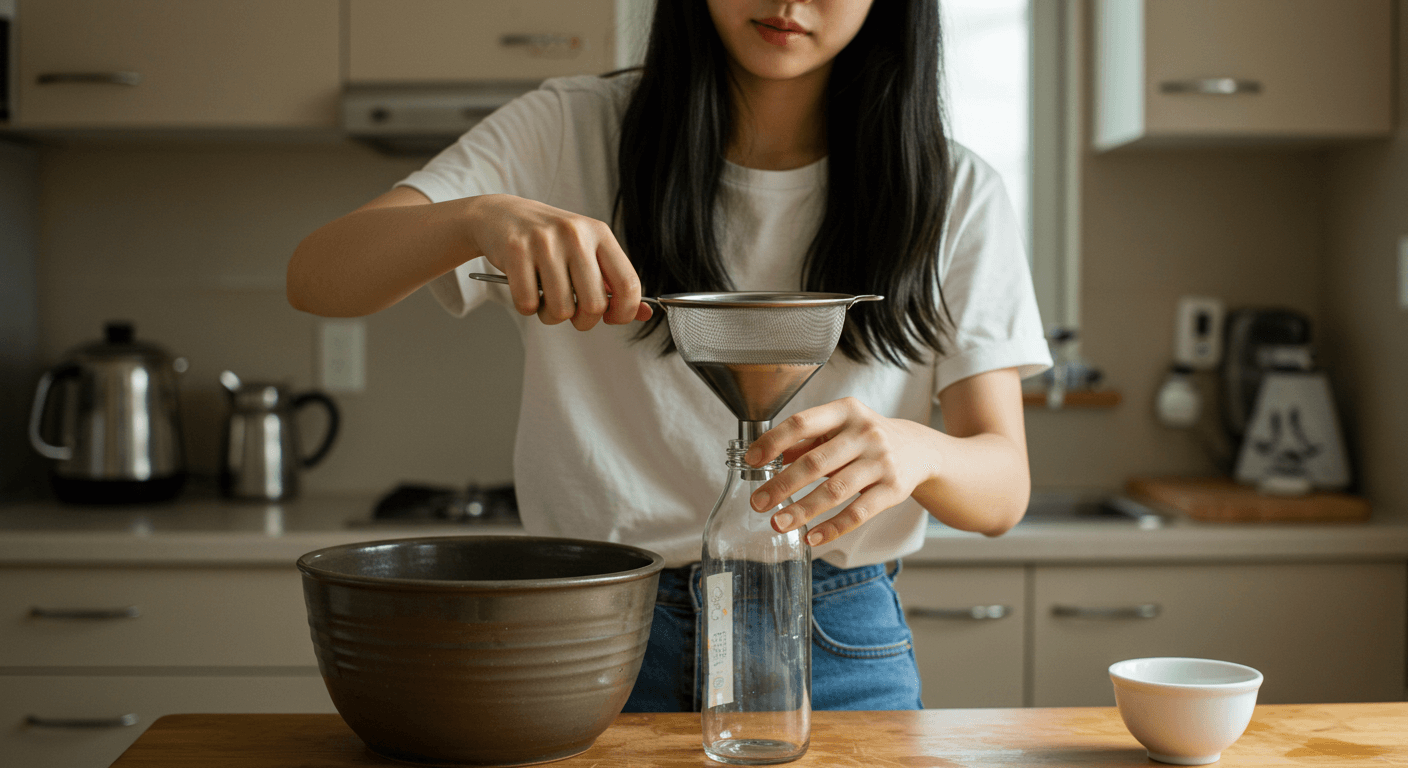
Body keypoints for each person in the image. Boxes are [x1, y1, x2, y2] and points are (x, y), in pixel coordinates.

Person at [287, 0, 1051, 712]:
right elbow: (317, 277)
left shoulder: (953, 191)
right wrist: (481, 217)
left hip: (839, 640)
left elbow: (1003, 488)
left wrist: (918, 452)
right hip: (591, 627)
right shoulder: (567, 129)